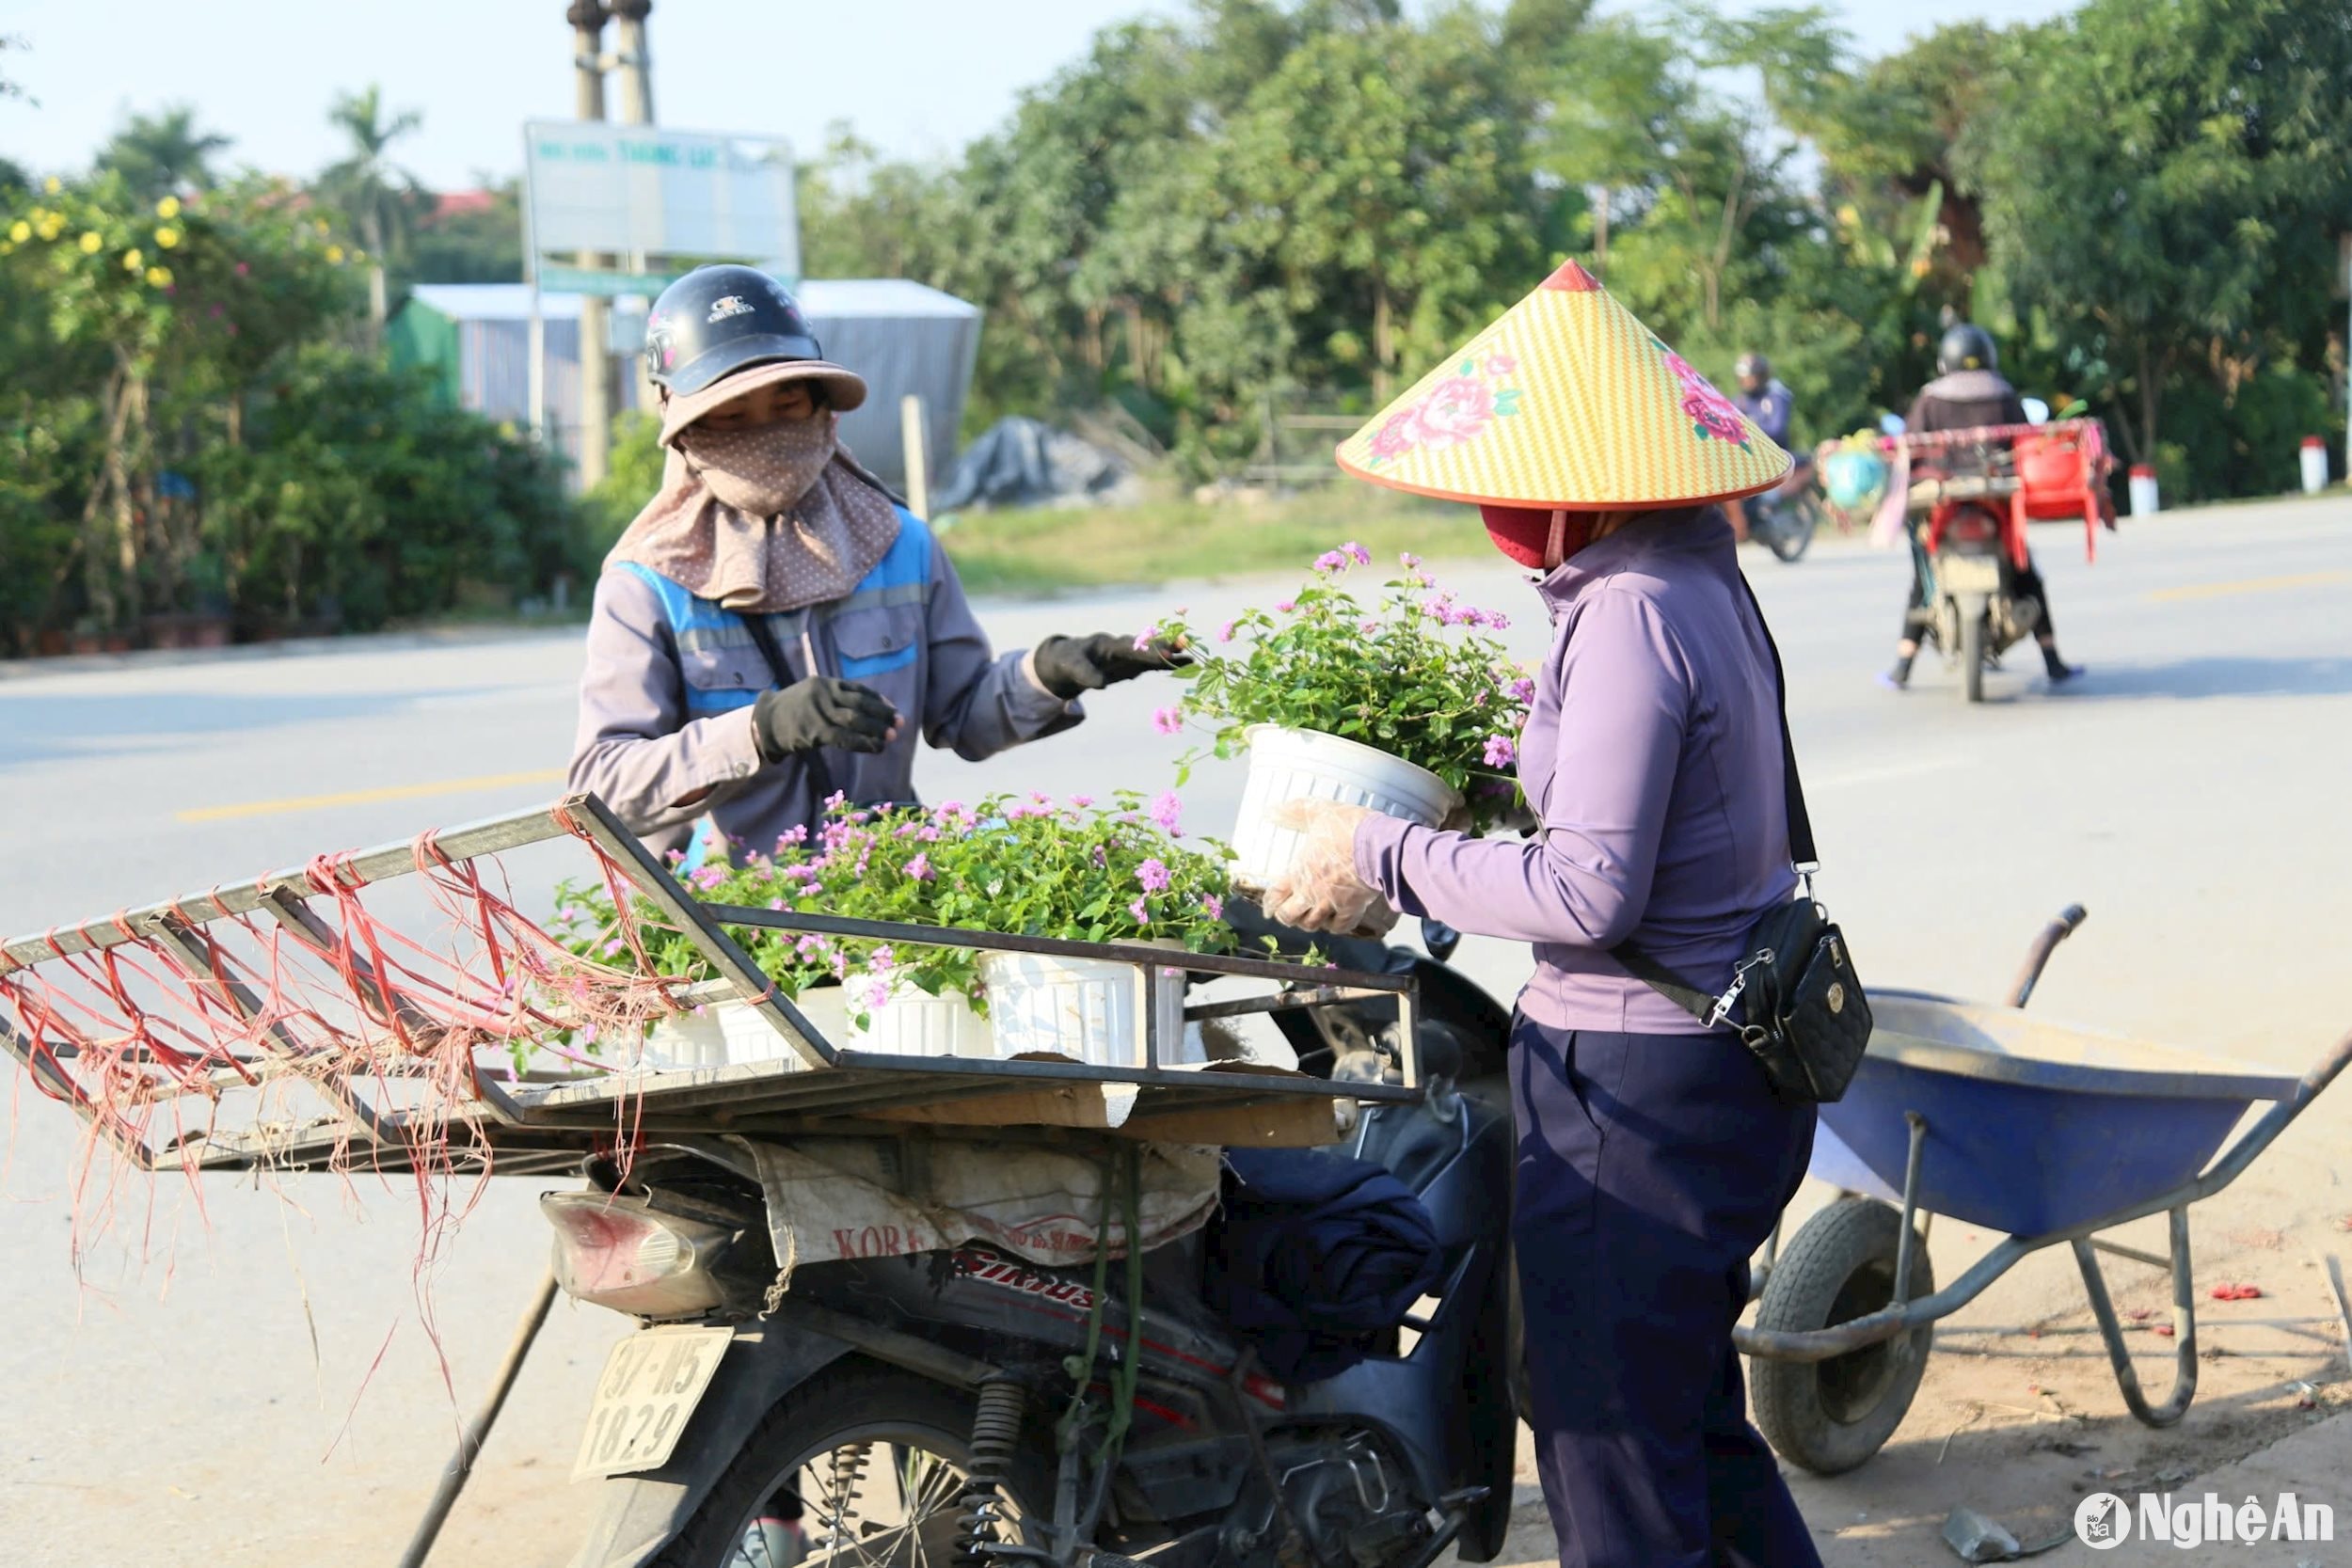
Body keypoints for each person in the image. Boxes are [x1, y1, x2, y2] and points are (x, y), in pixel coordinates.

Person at [1304, 260, 1823, 1568]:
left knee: (1610, 1459)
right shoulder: (1694, 578)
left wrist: (1380, 847)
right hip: (1726, 1071)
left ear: (1571, 488)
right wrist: (1497, 758)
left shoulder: (1634, 612)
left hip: (1636, 1093)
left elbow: (1586, 889)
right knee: (1691, 1424)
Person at [569, 264, 1177, 862]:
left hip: (888, 888)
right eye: (731, 415)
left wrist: (1049, 673)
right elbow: (605, 787)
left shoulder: (899, 543)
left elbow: (964, 715)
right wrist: (760, 730)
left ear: (819, 405)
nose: (766, 431)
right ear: (681, 420)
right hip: (733, 918)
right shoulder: (647, 581)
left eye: (786, 403)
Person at [1883, 324, 2082, 689]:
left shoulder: (1930, 398)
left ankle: (1903, 664)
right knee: (2025, 571)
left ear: (1946, 361)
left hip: (1942, 501)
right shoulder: (2003, 393)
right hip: (1995, 498)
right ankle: (2053, 660)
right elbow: (2027, 446)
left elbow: (1909, 448)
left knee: (1923, 571)